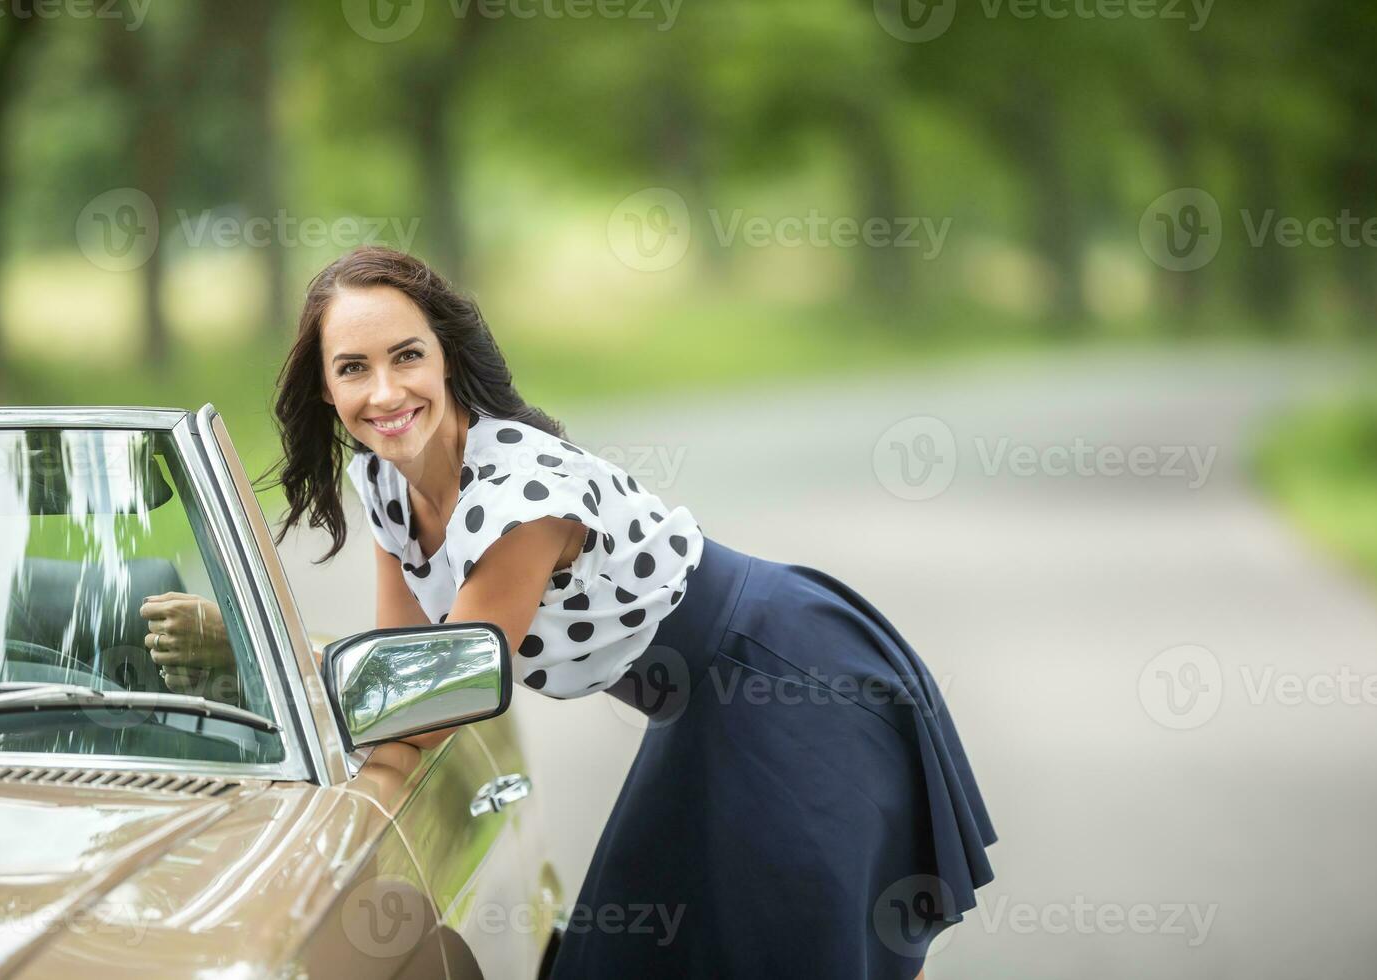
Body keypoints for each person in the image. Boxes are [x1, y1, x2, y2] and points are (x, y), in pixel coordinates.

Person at [172, 245, 997, 978]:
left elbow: (432, 698)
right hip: (697, 710)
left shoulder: (520, 499)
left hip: (786, 674)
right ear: (324, 385)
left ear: (448, 359)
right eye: (352, 367)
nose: (384, 391)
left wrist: (248, 657)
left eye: (406, 357)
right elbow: (397, 662)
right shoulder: (389, 482)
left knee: (801, 951)